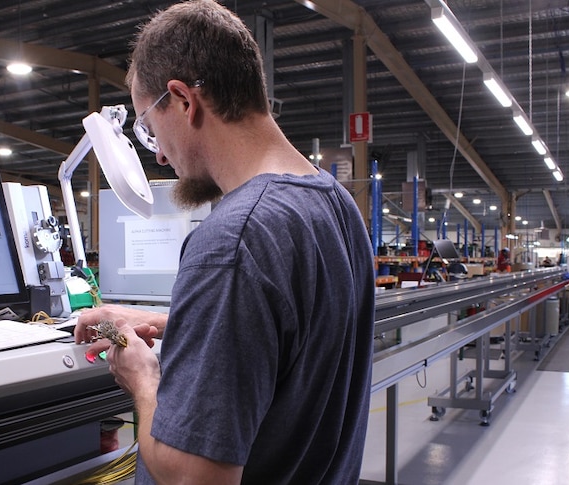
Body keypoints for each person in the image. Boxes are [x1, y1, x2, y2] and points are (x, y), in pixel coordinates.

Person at [75, 1, 375, 483]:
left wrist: (143, 378)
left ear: (183, 100)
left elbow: (194, 478)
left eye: (150, 130)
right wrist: (170, 322)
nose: (163, 157)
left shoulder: (233, 241)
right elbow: (289, 334)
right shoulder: (336, 204)